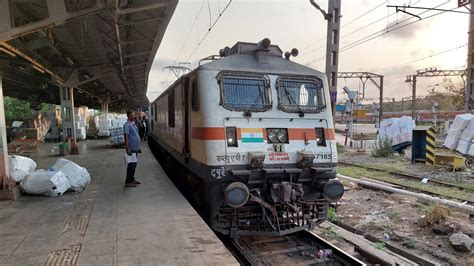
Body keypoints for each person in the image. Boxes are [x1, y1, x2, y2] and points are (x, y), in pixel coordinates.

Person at [123, 111, 141, 187]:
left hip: (135, 148)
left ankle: (132, 179)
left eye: (133, 115)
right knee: (131, 165)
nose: (133, 116)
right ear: (128, 116)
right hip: (131, 148)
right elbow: (126, 137)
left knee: (134, 165)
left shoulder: (133, 124)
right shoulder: (126, 125)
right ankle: (128, 181)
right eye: (131, 115)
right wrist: (127, 148)